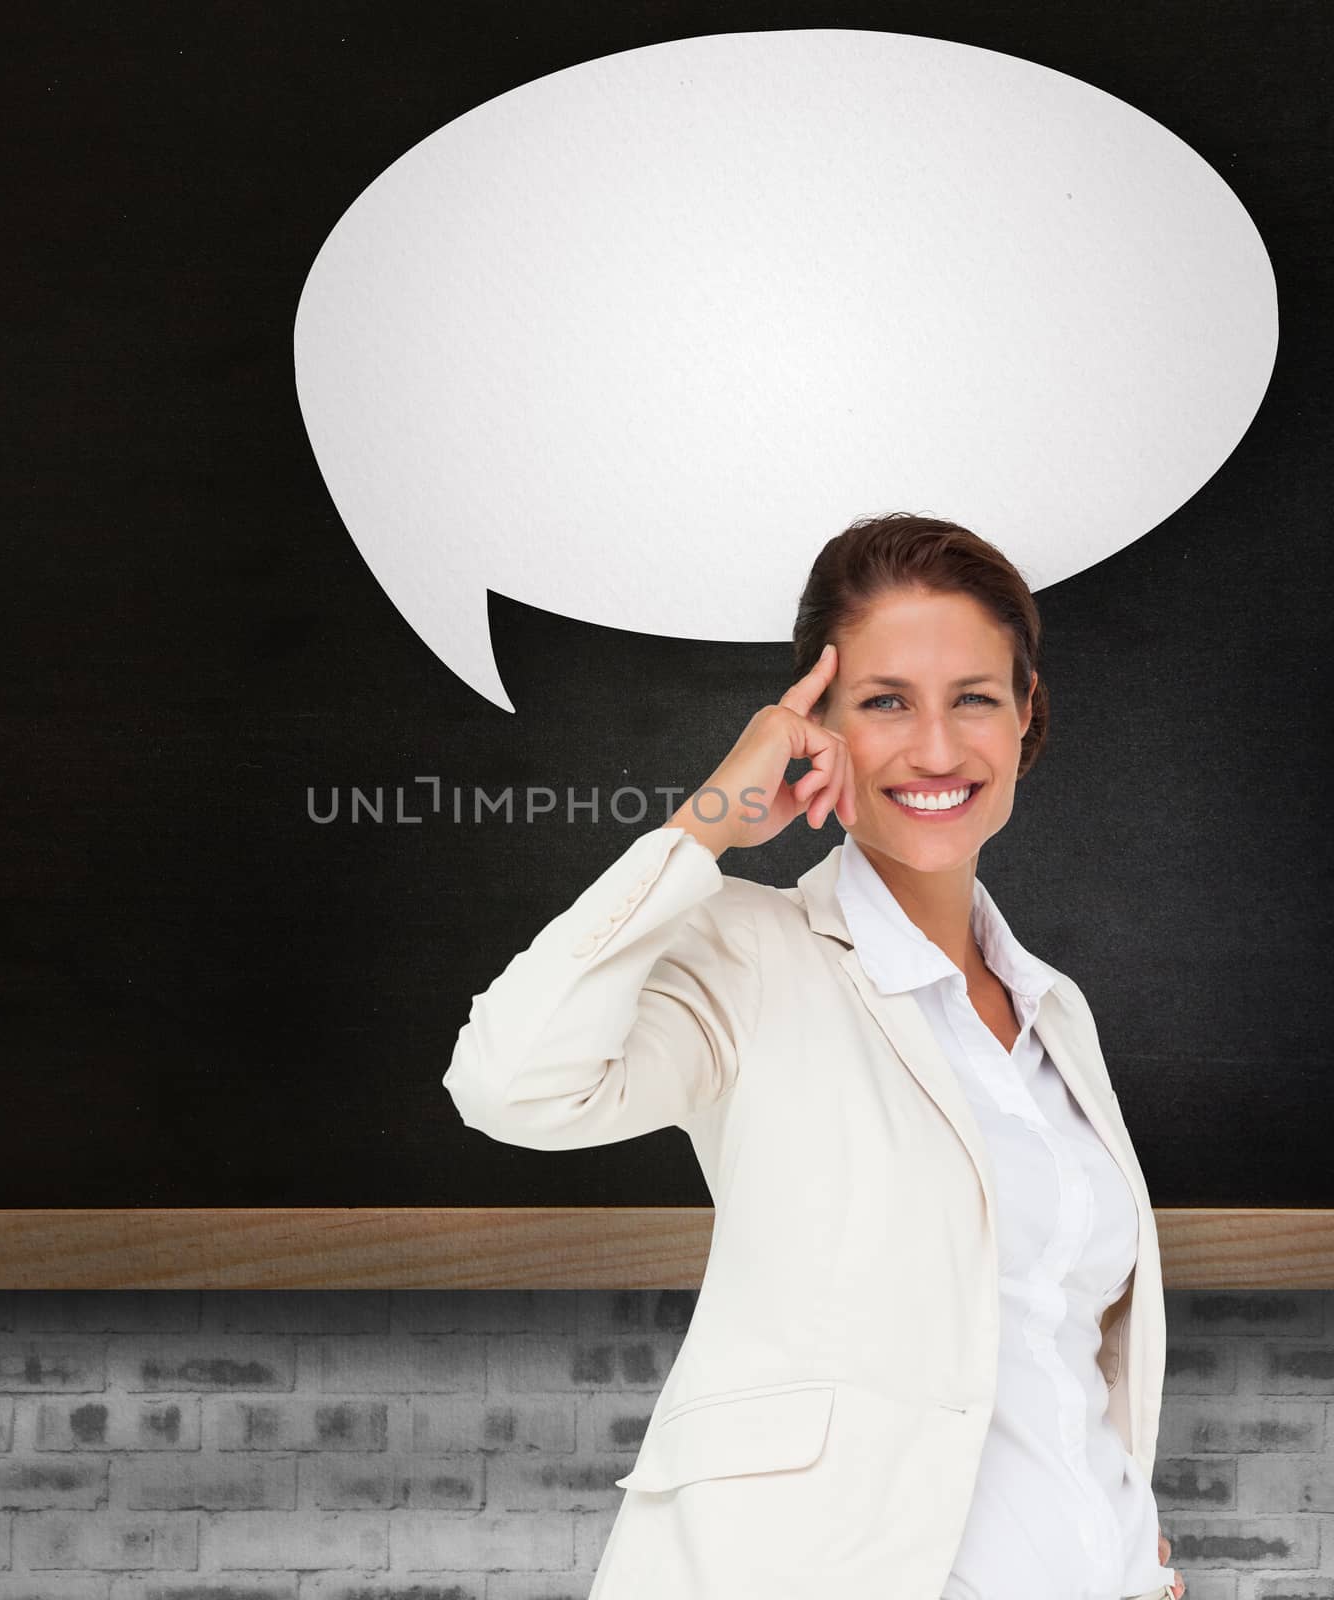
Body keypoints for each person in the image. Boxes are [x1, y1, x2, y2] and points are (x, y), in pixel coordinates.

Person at [442, 513, 1186, 1599]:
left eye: (972, 697)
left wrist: (1125, 1543)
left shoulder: (1053, 1011)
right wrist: (707, 823)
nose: (934, 748)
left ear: (1026, 717)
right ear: (816, 723)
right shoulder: (751, 953)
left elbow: (1059, 1353)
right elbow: (510, 1084)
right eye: (885, 701)